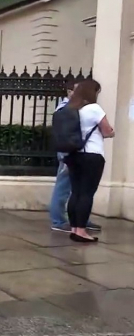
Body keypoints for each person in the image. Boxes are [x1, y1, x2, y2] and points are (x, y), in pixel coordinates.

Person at [64, 79, 114, 243]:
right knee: (87, 193)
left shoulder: (72, 108)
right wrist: (111, 132)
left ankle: (73, 228)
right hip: (92, 155)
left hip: (74, 154)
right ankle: (81, 231)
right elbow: (107, 131)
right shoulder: (94, 108)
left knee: (76, 192)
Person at [49, 80, 101, 233]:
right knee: (64, 187)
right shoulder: (66, 108)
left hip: (75, 151)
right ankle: (58, 220)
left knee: (77, 189)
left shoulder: (74, 108)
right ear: (69, 91)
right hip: (69, 151)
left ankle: (80, 220)